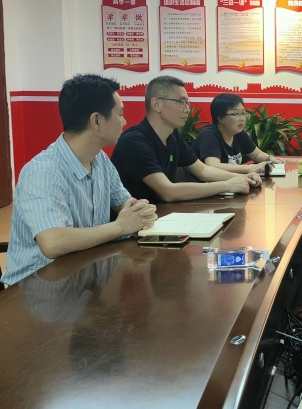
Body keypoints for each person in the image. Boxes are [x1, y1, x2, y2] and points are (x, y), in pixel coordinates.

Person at [1, 74, 158, 286]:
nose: (125, 121)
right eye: (120, 114)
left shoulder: (100, 160)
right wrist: (121, 226)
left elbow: (123, 202)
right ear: (96, 121)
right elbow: (53, 242)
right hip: (37, 288)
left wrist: (137, 210)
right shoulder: (43, 172)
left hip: (84, 278)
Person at [111, 76, 261, 203]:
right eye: (181, 102)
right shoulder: (135, 141)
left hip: (159, 216)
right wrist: (227, 185)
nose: (187, 108)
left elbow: (203, 170)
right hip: (133, 224)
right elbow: (168, 192)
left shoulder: (173, 136)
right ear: (157, 104)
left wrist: (243, 177)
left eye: (187, 102)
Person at [191, 93, 283, 175]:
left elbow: (256, 155)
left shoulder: (238, 133)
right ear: (220, 118)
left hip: (229, 184)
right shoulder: (209, 135)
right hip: (203, 186)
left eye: (243, 113)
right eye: (235, 114)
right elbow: (213, 166)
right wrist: (250, 168)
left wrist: (270, 159)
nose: (242, 118)